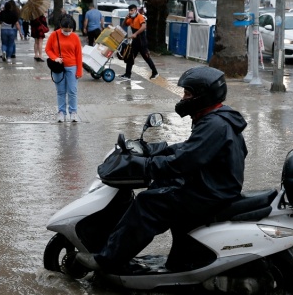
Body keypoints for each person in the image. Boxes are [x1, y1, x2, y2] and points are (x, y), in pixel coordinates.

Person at [76, 66, 248, 274]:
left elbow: (182, 162)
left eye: (187, 93)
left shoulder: (215, 125)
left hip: (210, 192)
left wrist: (144, 167)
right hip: (213, 185)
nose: (183, 98)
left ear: (203, 95)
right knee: (160, 187)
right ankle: (179, 259)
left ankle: (109, 260)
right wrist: (154, 150)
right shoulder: (218, 118)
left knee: (147, 203)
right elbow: (189, 148)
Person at [45, 15, 83, 123]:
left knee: (72, 91)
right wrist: (55, 58)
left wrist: (79, 70)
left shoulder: (75, 37)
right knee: (60, 91)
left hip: (72, 66)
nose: (67, 32)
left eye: (69, 30)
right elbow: (48, 49)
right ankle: (61, 112)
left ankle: (73, 112)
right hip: (59, 67)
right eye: (65, 30)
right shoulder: (54, 35)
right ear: (61, 26)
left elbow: (79, 54)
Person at [119, 4, 158, 80]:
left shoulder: (139, 17)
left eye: (132, 10)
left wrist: (135, 34)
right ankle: (127, 74)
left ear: (136, 10)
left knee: (146, 57)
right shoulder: (130, 18)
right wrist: (125, 18)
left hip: (142, 41)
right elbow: (123, 25)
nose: (130, 12)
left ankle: (155, 72)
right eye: (129, 10)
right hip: (135, 42)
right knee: (130, 57)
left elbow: (144, 26)